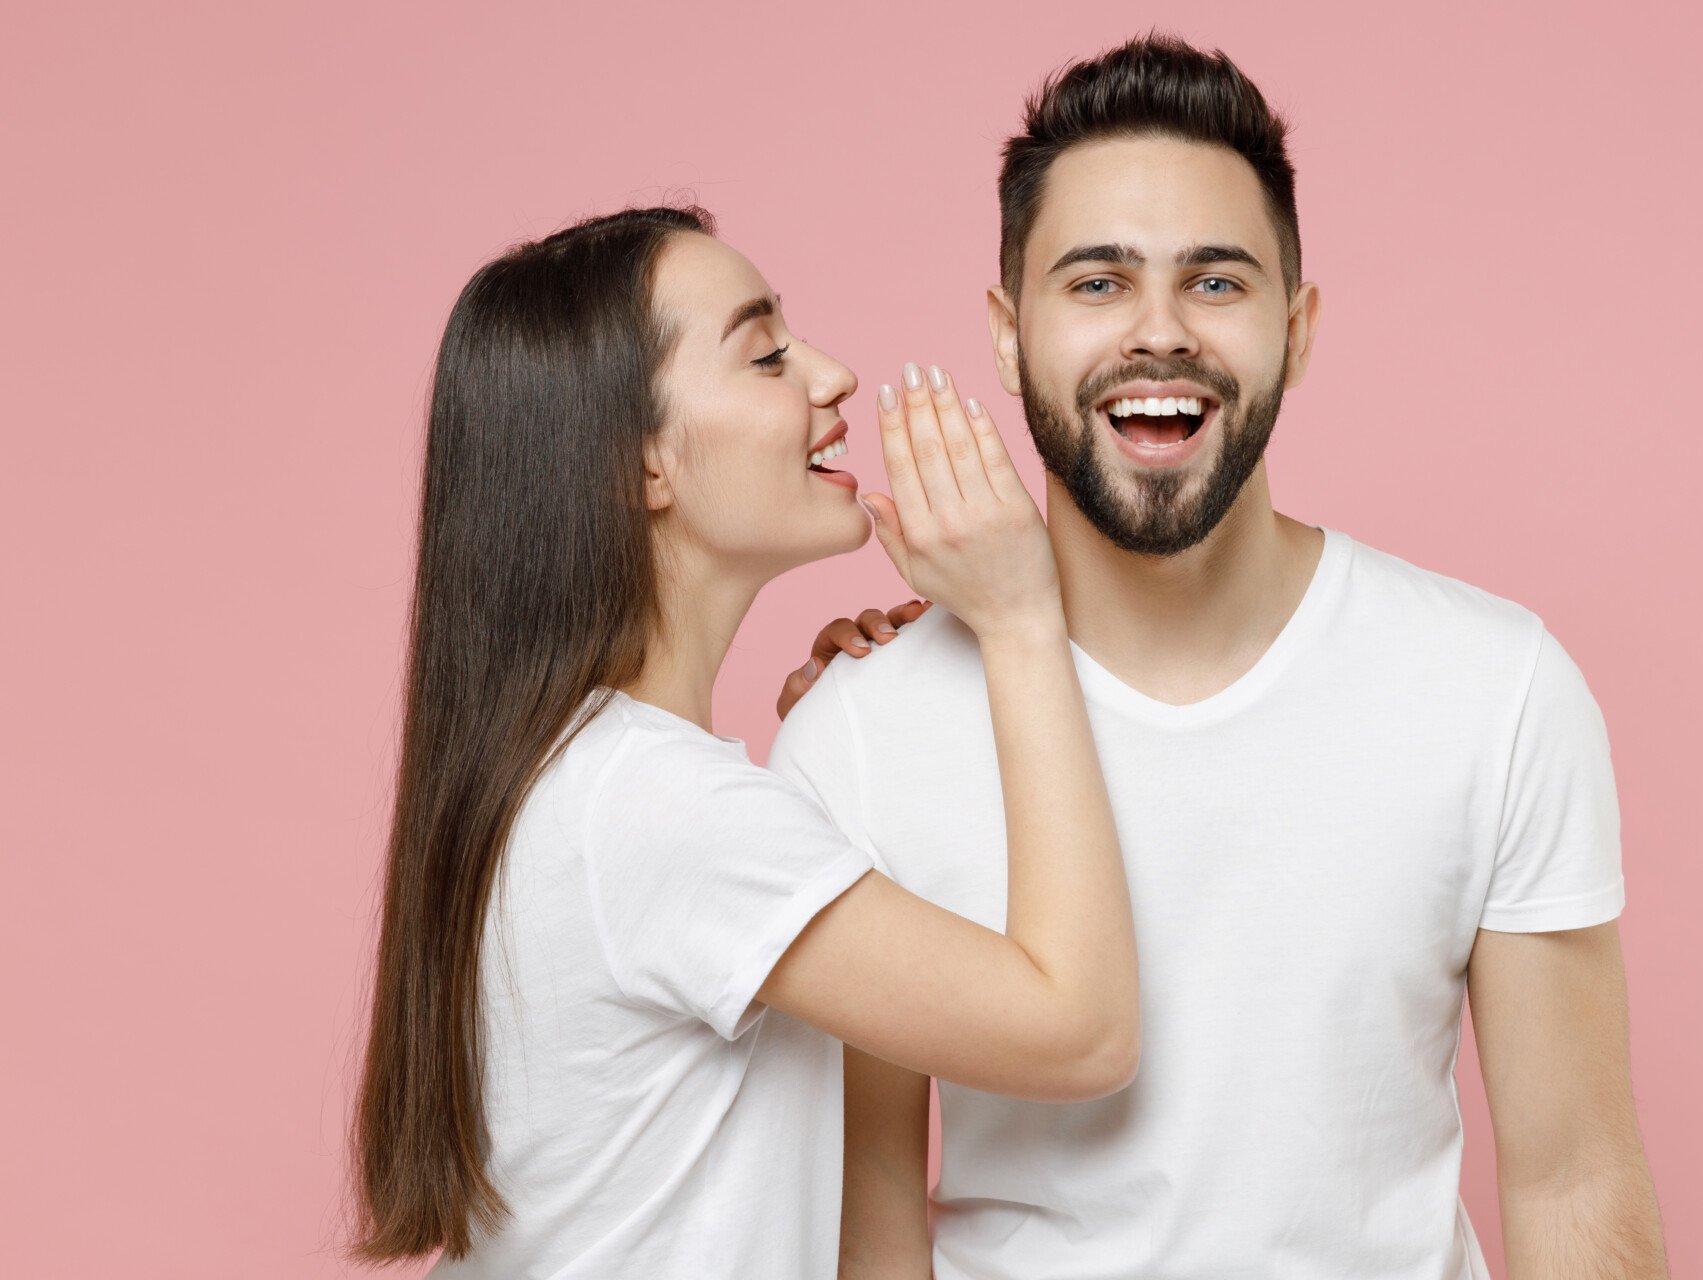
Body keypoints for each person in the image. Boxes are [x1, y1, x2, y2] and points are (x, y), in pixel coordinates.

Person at [771, 36, 1668, 1279]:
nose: (1160, 334)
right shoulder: (862, 733)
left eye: (1217, 282)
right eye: (1095, 283)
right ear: (1005, 331)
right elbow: (867, 1212)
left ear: (1296, 329)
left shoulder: (1497, 690)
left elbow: (1575, 1173)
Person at [349, 206, 1141, 1278]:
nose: (832, 375)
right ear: (643, 465)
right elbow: (1081, 1031)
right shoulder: (659, 804)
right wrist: (1020, 620)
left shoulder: (592, 780)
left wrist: (831, 828)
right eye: (765, 353)